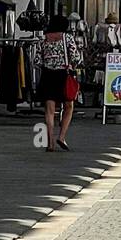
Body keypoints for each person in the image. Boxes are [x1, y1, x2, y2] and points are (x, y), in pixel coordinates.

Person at [34, 14, 83, 150]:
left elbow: (37, 61)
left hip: (48, 76)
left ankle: (50, 143)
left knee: (49, 111)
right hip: (64, 75)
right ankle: (61, 137)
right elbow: (75, 57)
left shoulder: (44, 39)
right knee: (69, 106)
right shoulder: (67, 38)